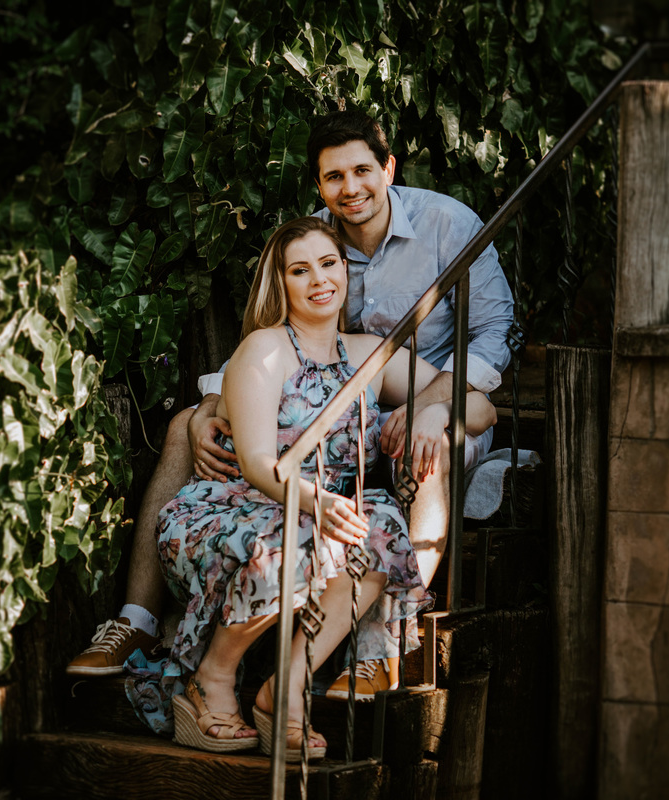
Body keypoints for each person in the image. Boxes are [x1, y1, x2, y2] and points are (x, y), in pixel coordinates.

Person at [67, 110, 514, 699]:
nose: (350, 188)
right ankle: (137, 620)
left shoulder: (446, 225)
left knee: (425, 448)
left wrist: (433, 405)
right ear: (319, 185)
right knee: (183, 424)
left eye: (362, 171)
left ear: (388, 169)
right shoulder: (316, 237)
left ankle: (386, 643)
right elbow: (274, 340)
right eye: (334, 177)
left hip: (426, 395)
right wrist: (209, 406)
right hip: (336, 405)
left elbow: (494, 335)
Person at [124, 217, 497, 758]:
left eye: (328, 264)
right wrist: (317, 502)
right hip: (230, 513)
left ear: (345, 270)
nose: (319, 279)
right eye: (300, 270)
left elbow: (482, 407)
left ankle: (285, 689)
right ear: (281, 282)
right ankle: (211, 677)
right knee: (306, 538)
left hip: (315, 514)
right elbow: (257, 463)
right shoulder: (265, 349)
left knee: (380, 526)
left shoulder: (368, 355)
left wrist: (437, 412)